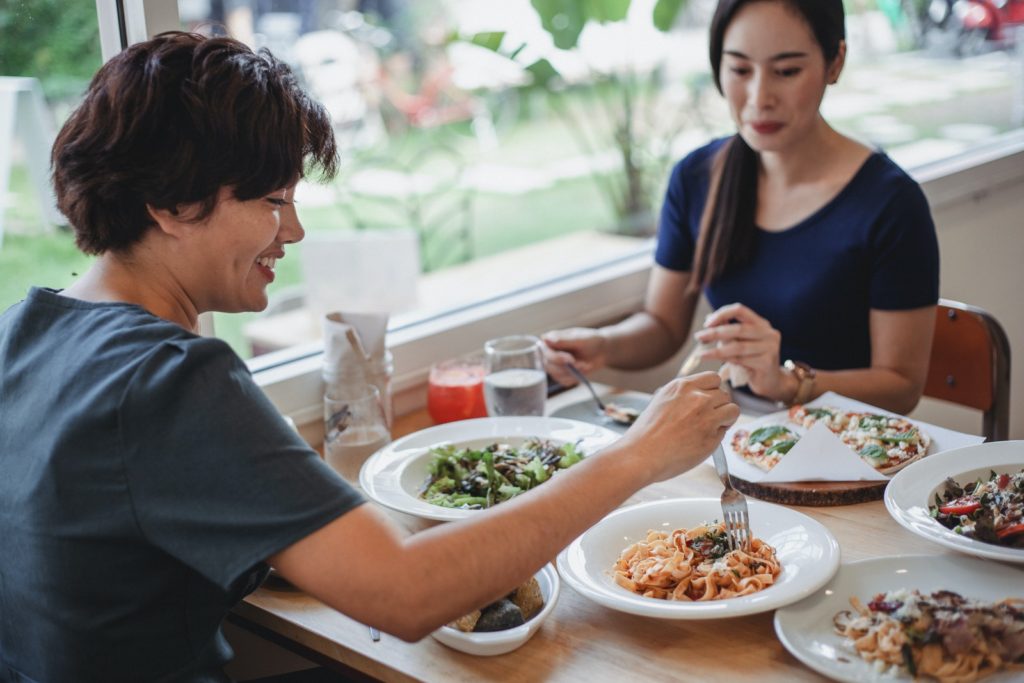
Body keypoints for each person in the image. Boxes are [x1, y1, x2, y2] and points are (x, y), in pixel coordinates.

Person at [0, 32, 738, 682]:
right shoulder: (171, 378)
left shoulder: (21, 332)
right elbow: (406, 594)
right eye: (271, 200)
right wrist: (636, 455)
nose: (293, 230)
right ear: (169, 204)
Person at [544, 0, 939, 416]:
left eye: (786, 71)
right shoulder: (697, 178)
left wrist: (789, 383)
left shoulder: (890, 204)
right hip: (733, 436)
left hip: (849, 449)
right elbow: (662, 326)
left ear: (835, 62)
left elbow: (901, 386)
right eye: (739, 70)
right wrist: (601, 346)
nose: (759, 97)